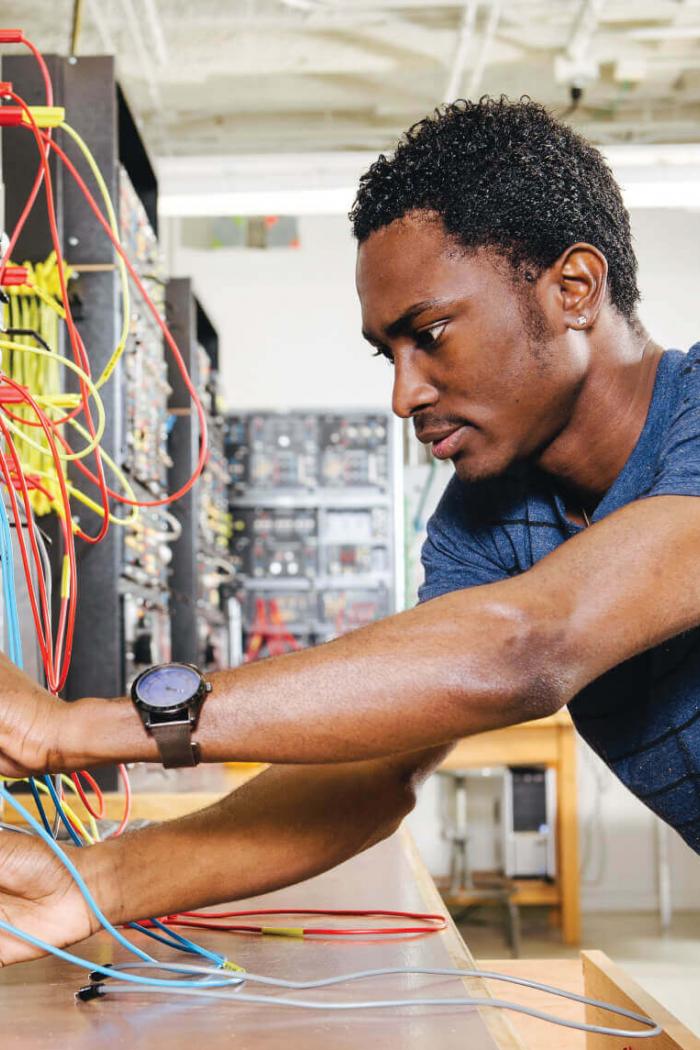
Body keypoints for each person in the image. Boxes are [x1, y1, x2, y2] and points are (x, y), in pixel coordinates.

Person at [0, 97, 698, 968]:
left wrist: (73, 730)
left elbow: (527, 647)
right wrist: (95, 883)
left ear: (574, 290)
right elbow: (369, 770)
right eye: (388, 354)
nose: (403, 395)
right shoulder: (484, 525)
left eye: (430, 334)